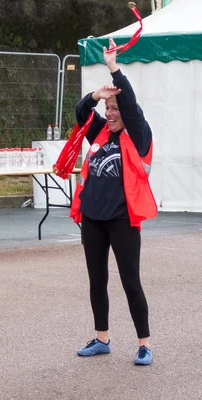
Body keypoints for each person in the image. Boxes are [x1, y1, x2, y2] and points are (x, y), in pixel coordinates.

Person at [71, 38, 157, 365]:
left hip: (123, 219)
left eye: (113, 110)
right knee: (97, 280)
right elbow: (81, 112)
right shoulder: (100, 133)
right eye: (107, 110)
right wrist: (96, 95)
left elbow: (131, 107)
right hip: (93, 218)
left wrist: (113, 69)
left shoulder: (139, 135)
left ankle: (144, 344)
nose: (109, 114)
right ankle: (102, 339)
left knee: (130, 281)